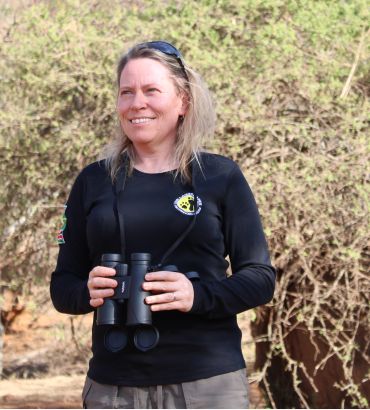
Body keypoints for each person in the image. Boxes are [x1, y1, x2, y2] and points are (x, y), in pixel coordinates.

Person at [50, 40, 275, 409]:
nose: (137, 103)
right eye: (127, 92)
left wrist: (196, 295)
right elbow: (63, 286)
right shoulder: (92, 182)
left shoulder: (220, 176)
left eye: (151, 90)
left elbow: (260, 278)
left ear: (183, 101)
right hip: (114, 388)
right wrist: (86, 292)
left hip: (208, 385)